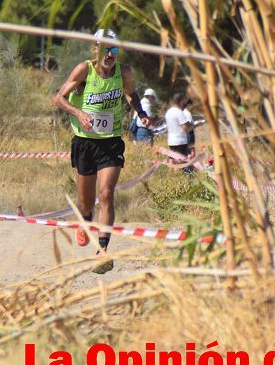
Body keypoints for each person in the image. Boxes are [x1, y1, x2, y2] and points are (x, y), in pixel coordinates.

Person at [53, 29, 150, 274]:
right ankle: (85, 220)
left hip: (111, 142)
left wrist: (141, 113)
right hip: (85, 142)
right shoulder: (83, 70)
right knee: (85, 202)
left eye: (114, 49)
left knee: (106, 194)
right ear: (95, 49)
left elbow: (131, 94)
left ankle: (103, 250)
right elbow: (59, 98)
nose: (110, 54)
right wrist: (79, 113)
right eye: (105, 49)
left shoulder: (123, 72)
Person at [165, 92, 196, 173]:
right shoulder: (179, 112)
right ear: (181, 101)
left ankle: (174, 177)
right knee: (183, 162)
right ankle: (186, 178)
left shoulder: (169, 112)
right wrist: (193, 126)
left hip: (171, 141)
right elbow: (185, 127)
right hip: (180, 141)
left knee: (174, 161)